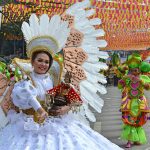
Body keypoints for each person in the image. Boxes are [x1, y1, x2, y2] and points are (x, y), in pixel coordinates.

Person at [0, 1, 123, 149]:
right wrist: (39, 110)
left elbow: (69, 98)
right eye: (40, 60)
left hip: (57, 124)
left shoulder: (55, 78)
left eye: (46, 62)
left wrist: (65, 109)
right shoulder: (25, 79)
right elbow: (26, 96)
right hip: (28, 127)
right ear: (32, 62)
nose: (43, 64)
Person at [118, 53, 150, 148]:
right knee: (129, 121)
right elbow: (120, 86)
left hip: (139, 102)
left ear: (139, 68)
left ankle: (136, 139)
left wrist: (141, 81)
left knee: (138, 121)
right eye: (132, 69)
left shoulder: (144, 77)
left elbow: (148, 87)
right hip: (129, 102)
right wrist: (124, 79)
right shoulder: (127, 77)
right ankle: (129, 140)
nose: (134, 71)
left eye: (135, 69)